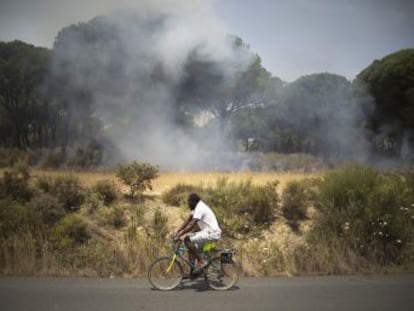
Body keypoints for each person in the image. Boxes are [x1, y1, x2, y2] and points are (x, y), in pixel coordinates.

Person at [173, 193, 222, 274]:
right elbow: (188, 221)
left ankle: (201, 261)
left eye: (189, 203)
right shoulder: (196, 208)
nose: (188, 205)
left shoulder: (200, 208)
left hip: (213, 233)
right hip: (208, 232)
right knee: (191, 249)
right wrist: (177, 231)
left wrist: (180, 234)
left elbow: (192, 224)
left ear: (193, 201)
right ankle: (193, 272)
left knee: (187, 240)